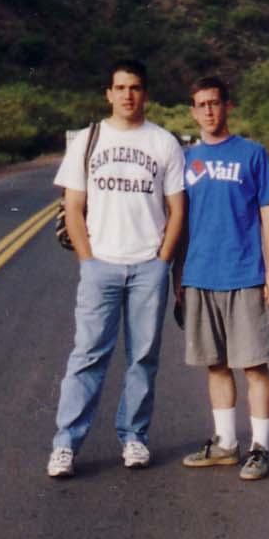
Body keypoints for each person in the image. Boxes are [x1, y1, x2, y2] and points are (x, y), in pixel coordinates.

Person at [47, 59, 186, 478]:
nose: (128, 95)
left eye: (135, 87)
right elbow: (73, 207)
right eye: (120, 87)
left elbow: (177, 209)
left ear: (146, 94)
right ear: (108, 94)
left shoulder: (163, 143)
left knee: (143, 357)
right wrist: (87, 260)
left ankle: (134, 437)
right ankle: (65, 444)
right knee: (88, 355)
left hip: (147, 267)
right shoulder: (88, 140)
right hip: (101, 266)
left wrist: (162, 261)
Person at [176, 75, 269, 481]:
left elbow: (268, 212)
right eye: (201, 104)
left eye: (215, 102)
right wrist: (177, 276)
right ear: (193, 111)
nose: (209, 110)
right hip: (200, 275)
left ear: (228, 106)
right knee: (216, 364)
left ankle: (260, 448)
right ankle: (225, 444)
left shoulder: (252, 154)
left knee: (253, 365)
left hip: (243, 274)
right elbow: (179, 221)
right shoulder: (185, 160)